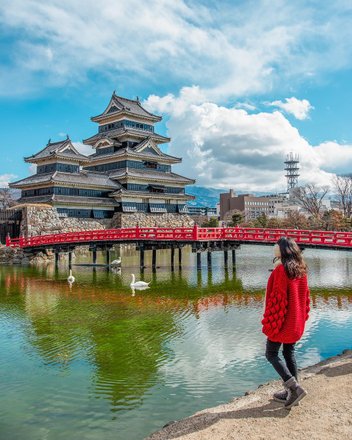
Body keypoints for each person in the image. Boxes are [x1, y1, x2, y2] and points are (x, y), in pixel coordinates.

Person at [262, 236, 310, 409]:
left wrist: (271, 324)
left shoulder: (280, 271)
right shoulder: (301, 269)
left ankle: (294, 388)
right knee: (289, 352)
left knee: (271, 353)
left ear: (281, 253)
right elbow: (306, 298)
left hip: (282, 322)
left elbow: (276, 301)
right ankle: (293, 392)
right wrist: (302, 318)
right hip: (296, 321)